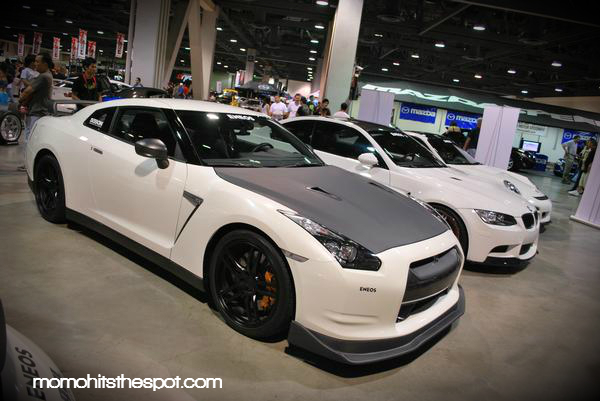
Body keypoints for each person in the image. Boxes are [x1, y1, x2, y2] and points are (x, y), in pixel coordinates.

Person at [17, 53, 54, 171]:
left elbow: (28, 91)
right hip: (39, 112)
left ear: (45, 64)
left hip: (37, 112)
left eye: (38, 61)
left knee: (29, 139)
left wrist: (20, 100)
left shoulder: (43, 77)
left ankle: (28, 164)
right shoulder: (47, 75)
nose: (35, 64)